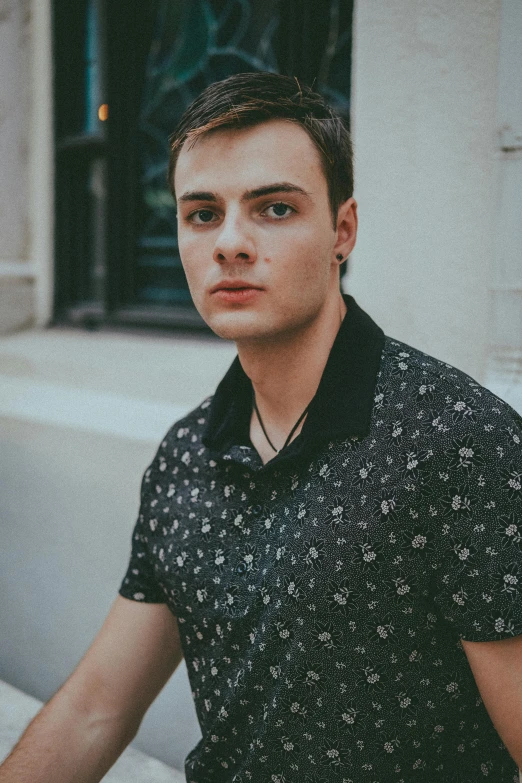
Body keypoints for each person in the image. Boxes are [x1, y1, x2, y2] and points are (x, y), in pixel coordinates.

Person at [1, 71, 522, 783]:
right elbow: (96, 708)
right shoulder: (187, 454)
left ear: (343, 230)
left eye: (274, 208)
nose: (231, 243)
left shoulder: (456, 440)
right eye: (202, 213)